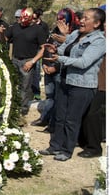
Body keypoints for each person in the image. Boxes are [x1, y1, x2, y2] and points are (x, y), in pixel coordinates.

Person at [39, 8, 105, 161]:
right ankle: (54, 146)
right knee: (60, 116)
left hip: (82, 86)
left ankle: (66, 150)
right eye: (82, 18)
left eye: (86, 18)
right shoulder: (75, 34)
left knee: (72, 119)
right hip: (65, 80)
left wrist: (60, 59)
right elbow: (63, 50)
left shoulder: (99, 41)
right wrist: (54, 49)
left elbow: (83, 63)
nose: (81, 20)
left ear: (96, 23)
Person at [1, 7, 46, 118]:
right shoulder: (15, 27)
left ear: (31, 19)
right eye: (20, 19)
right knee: (12, 84)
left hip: (28, 61)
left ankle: (22, 112)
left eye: (24, 19)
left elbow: (43, 48)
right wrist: (1, 34)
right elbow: (5, 39)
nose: (22, 21)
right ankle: (11, 108)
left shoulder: (38, 30)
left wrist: (32, 61)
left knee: (25, 87)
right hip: (15, 59)